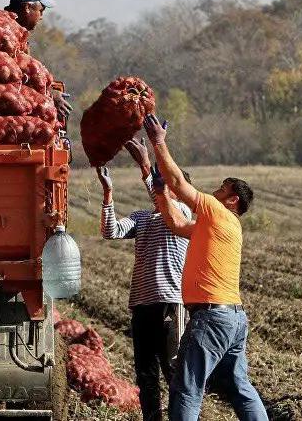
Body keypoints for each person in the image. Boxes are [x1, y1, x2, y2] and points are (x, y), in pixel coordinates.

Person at [143, 114, 268, 421]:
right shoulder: (221, 224)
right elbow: (176, 222)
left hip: (212, 317)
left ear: (232, 199)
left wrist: (158, 142)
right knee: (238, 384)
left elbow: (180, 184)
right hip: (233, 318)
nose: (215, 191)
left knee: (187, 387)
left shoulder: (216, 211)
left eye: (222, 189)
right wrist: (160, 193)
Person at [97, 139, 191, 421]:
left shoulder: (182, 215)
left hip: (169, 303)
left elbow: (163, 203)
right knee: (145, 373)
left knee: (172, 369)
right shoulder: (142, 218)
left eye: (169, 184)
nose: (164, 188)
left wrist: (145, 164)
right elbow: (110, 231)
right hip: (141, 304)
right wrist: (108, 193)